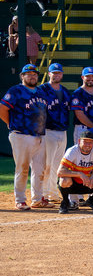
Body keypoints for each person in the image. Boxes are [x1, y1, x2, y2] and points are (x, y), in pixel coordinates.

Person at [0, 64, 52, 210]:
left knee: (40, 169)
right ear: (22, 76)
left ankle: (37, 199)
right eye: (28, 74)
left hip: (39, 136)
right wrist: (11, 124)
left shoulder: (41, 92)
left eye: (34, 74)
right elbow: (2, 108)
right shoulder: (16, 90)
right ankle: (20, 199)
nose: (32, 76)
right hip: (21, 135)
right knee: (22, 169)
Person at [38, 63, 70, 204]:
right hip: (47, 131)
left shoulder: (65, 91)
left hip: (62, 131)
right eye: (54, 73)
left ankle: (52, 192)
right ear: (49, 74)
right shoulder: (42, 89)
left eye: (59, 73)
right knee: (47, 164)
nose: (56, 75)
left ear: (62, 74)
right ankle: (44, 193)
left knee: (57, 164)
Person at [57, 130, 93, 214]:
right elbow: (60, 172)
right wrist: (79, 174)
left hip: (88, 183)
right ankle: (65, 202)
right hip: (73, 184)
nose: (88, 145)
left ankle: (92, 200)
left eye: (90, 142)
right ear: (79, 141)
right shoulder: (72, 151)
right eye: (85, 142)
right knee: (64, 180)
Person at [71, 67, 93, 143]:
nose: (90, 78)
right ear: (82, 77)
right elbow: (80, 115)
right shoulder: (78, 93)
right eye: (87, 76)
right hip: (83, 129)